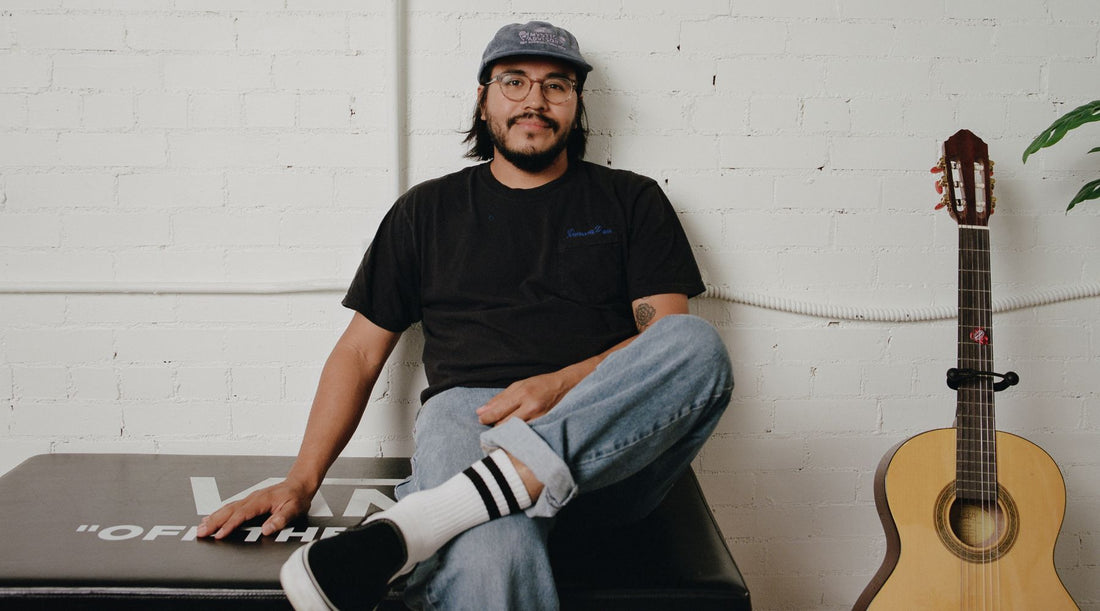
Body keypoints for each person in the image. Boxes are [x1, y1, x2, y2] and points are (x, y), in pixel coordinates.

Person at [196, 20, 733, 611]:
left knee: (695, 341)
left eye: (556, 85)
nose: (535, 99)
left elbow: (664, 344)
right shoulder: (426, 211)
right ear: (483, 100)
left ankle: (449, 507)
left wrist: (559, 385)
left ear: (576, 105)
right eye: (515, 81)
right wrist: (302, 480)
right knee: (490, 551)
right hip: (470, 419)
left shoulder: (632, 200)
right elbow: (358, 352)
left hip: (603, 447)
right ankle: (481, 499)